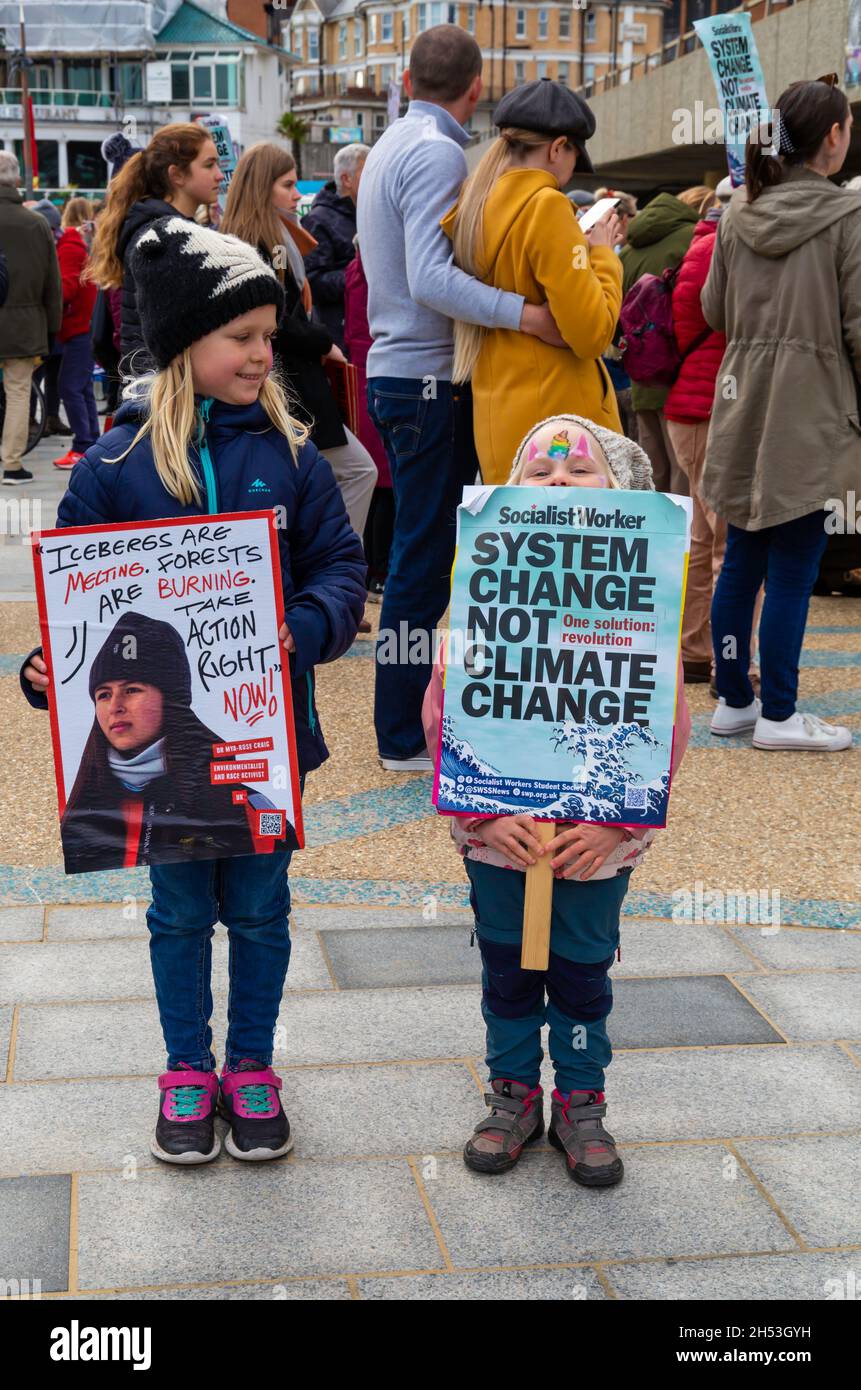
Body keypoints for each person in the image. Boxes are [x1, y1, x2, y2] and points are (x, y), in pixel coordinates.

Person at [22, 217, 366, 1164]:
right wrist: (47, 672)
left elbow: (339, 566)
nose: (266, 352)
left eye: (268, 335)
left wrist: (303, 629)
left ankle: (251, 1066)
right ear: (185, 346)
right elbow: (73, 611)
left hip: (262, 747)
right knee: (177, 914)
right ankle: (186, 1068)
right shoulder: (114, 467)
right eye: (244, 337)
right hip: (155, 776)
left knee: (259, 910)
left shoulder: (294, 457)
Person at [422, 413, 690, 1187]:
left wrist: (613, 824)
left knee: (579, 969)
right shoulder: (480, 594)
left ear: (622, 494)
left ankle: (579, 1099)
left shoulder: (644, 608)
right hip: (497, 832)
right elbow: (445, 710)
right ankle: (511, 1093)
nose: (559, 484)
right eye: (540, 473)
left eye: (579, 473)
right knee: (506, 965)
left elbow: (660, 723)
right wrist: (479, 811)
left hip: (597, 838)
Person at [357, 24, 567, 771]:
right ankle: (404, 735)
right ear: (476, 90)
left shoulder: (390, 142)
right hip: (424, 375)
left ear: (407, 77)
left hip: (397, 370)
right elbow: (429, 277)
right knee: (423, 560)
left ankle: (403, 724)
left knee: (421, 554)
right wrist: (527, 315)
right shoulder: (439, 151)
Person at [702, 78, 861, 752]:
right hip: (811, 403)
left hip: (743, 398)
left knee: (741, 553)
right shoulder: (845, 218)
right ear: (832, 136)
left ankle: (734, 699)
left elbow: (713, 310)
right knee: (796, 561)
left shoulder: (738, 213)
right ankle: (780, 715)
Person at [444, 79, 624, 483]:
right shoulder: (547, 206)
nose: (572, 169)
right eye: (574, 154)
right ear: (557, 147)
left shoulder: (475, 206)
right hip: (563, 434)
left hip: (499, 412)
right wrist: (603, 257)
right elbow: (592, 334)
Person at [221, 143, 377, 543]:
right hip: (283, 385)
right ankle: (335, 565)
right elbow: (276, 320)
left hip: (281, 384)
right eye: (287, 184)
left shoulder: (271, 238)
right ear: (261, 188)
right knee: (357, 470)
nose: (296, 195)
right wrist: (324, 342)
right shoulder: (259, 243)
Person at [55, 612, 284, 873]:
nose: (115, 707)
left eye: (131, 690)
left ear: (170, 697)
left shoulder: (248, 805)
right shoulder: (85, 811)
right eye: (104, 694)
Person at [85, 123, 224, 378]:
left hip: (158, 389)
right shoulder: (163, 239)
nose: (219, 175)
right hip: (167, 394)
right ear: (177, 175)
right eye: (209, 165)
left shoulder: (161, 230)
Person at [620, 185, 718, 493]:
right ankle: (684, 542)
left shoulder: (628, 247)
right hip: (681, 374)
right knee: (685, 475)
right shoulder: (696, 240)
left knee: (649, 472)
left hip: (641, 375)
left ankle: (651, 540)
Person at [0, 151, 62, 485]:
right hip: (23, 325)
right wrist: (53, 328)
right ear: (18, 181)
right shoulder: (36, 223)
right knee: (19, 392)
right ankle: (11, 463)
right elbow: (52, 284)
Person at [303, 143, 368, 347]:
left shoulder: (367, 212)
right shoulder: (318, 220)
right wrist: (359, 274)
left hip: (367, 327)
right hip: (341, 334)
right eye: (368, 172)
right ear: (346, 179)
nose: (375, 179)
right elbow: (313, 280)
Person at [53, 196, 100, 471]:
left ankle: (83, 445)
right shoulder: (79, 245)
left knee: (69, 387)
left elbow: (66, 289)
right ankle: (90, 442)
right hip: (84, 325)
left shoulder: (69, 248)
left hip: (77, 326)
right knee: (81, 388)